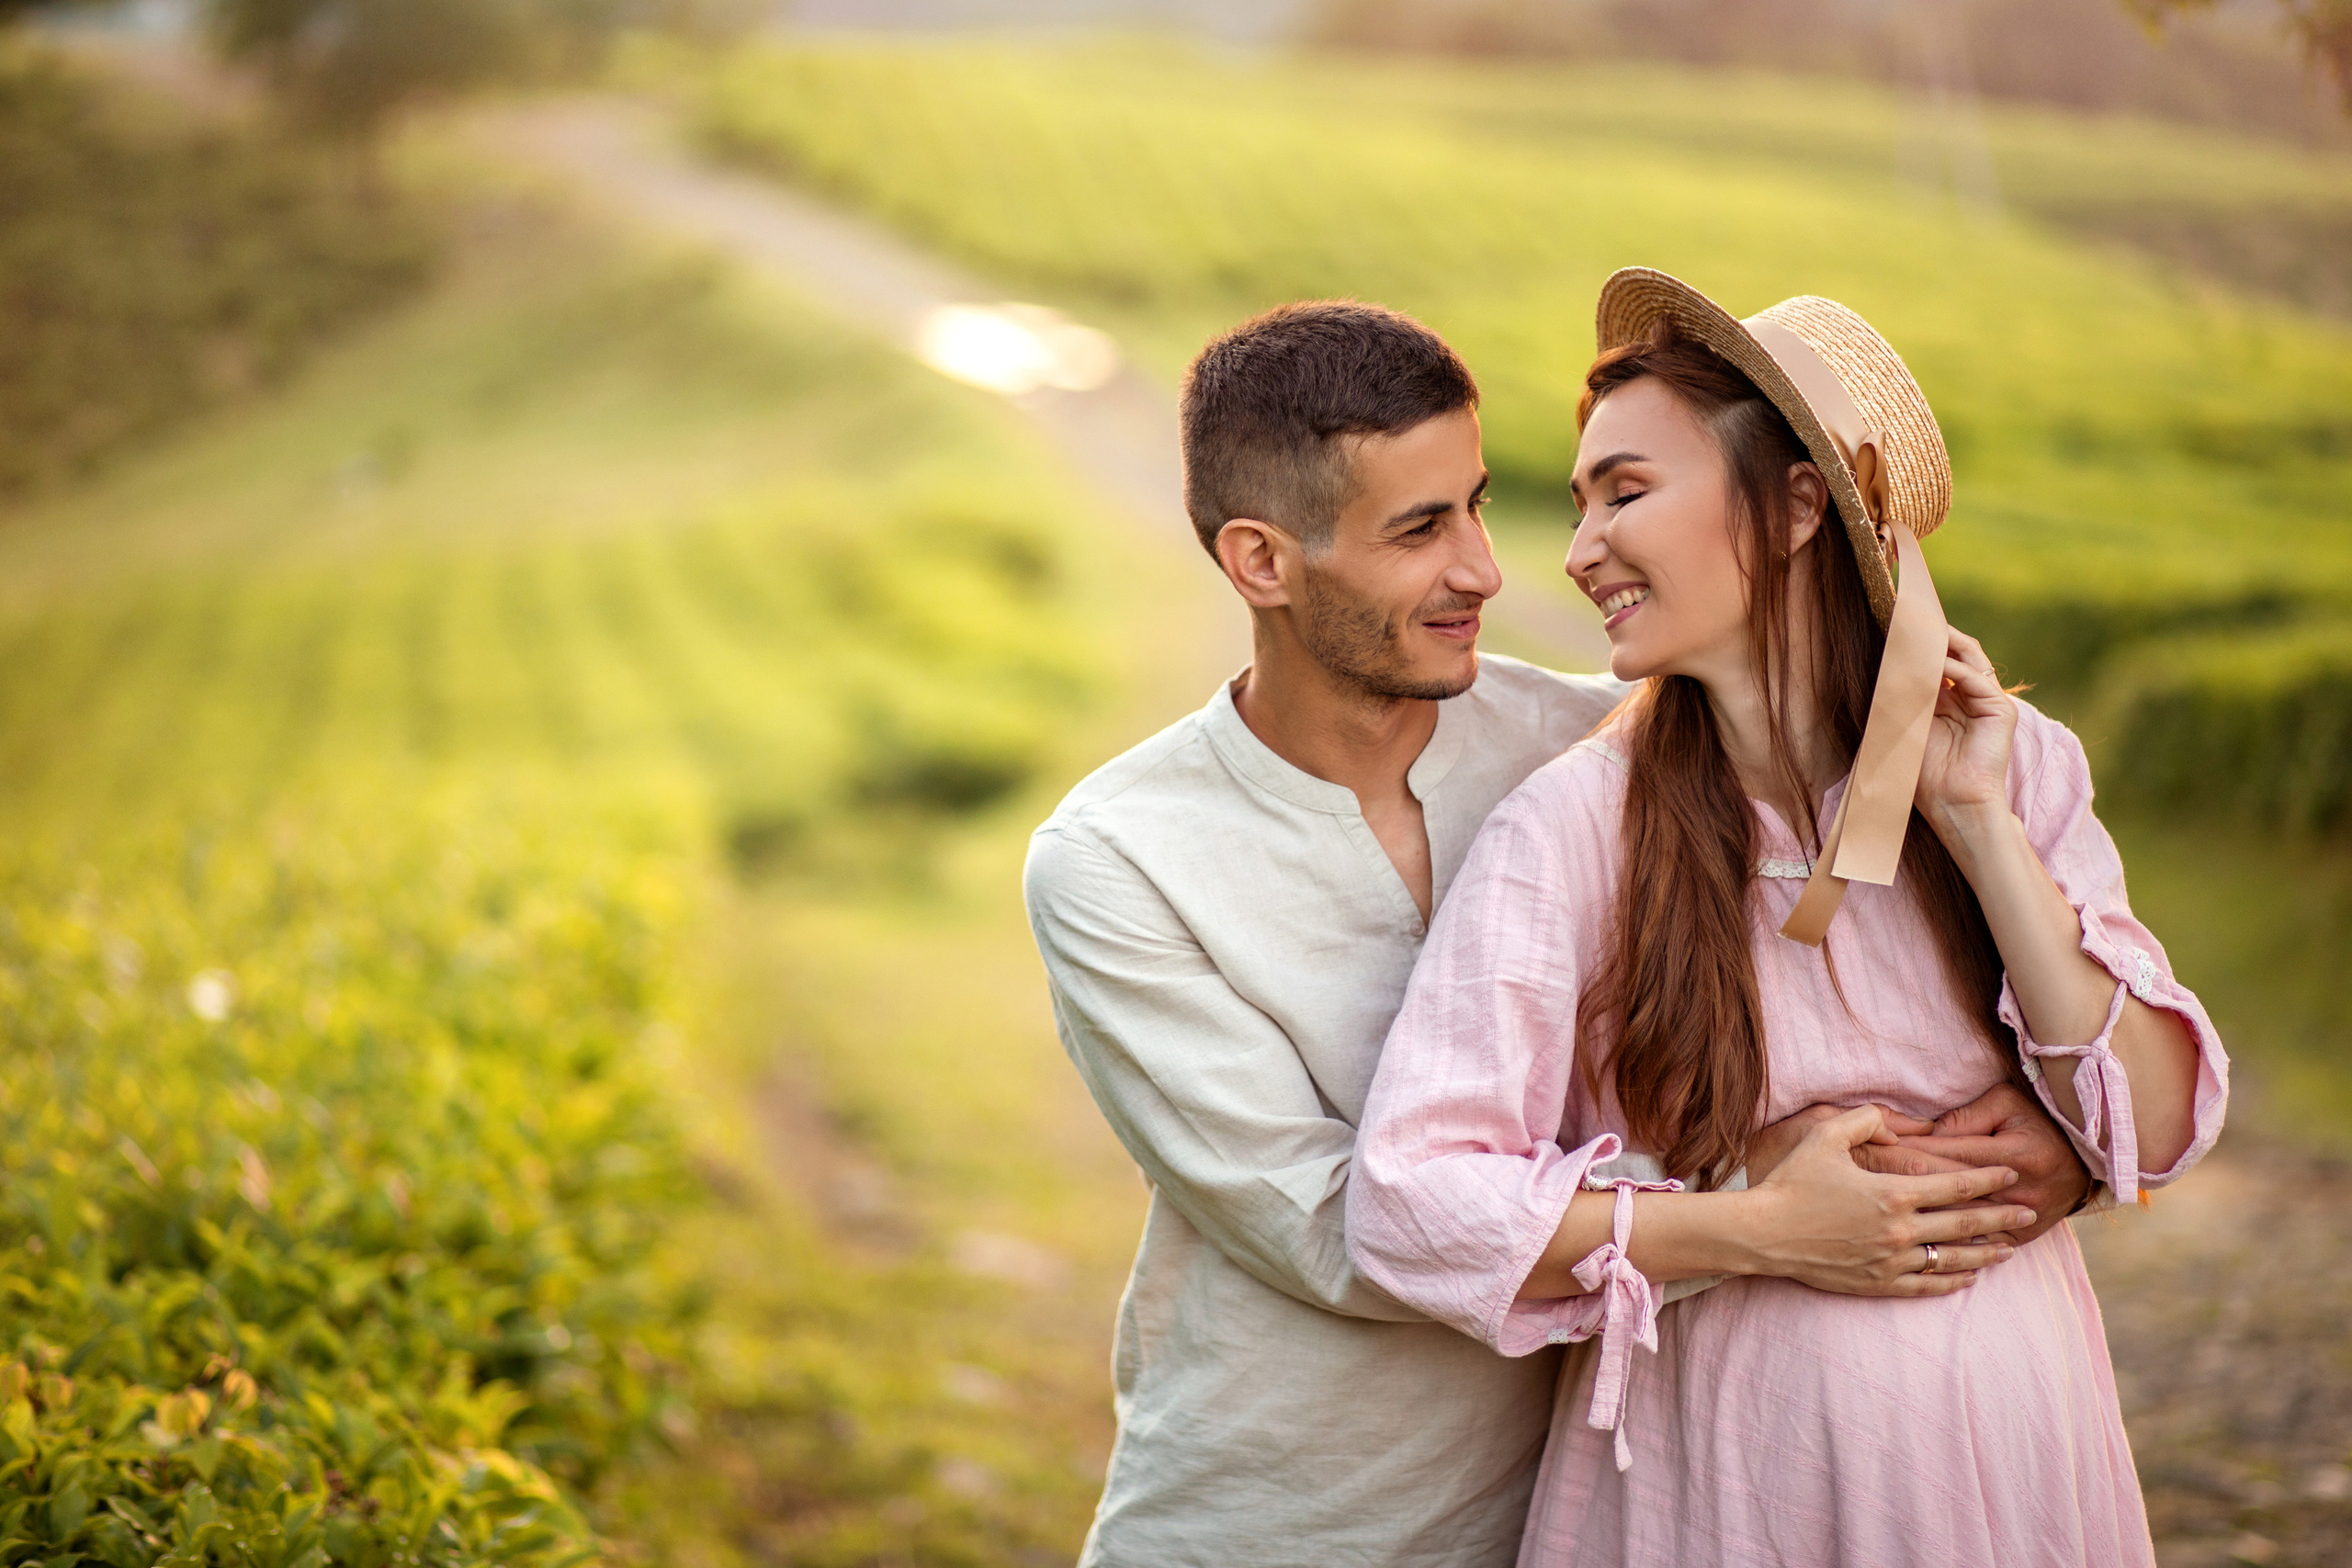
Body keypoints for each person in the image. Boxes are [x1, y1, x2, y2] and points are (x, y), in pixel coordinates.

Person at [1023, 299, 2091, 1568]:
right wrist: (1759, 1207)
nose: (1483, 567)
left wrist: (2036, 1133)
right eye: (1421, 529)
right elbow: (1344, 1230)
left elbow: (1837, 858)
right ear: (1262, 562)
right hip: (1284, 1516)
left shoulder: (1596, 748)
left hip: (1592, 1505)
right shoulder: (1116, 862)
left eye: (1476, 503)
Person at [1347, 270, 2231, 1566]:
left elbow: (2148, 1129)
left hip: (2013, 1438)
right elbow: (1415, 1199)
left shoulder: (2014, 765)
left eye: (1626, 492)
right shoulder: (1578, 828)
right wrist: (1757, 1224)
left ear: (1798, 505)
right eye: (1581, 503)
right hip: (1734, 1466)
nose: (1580, 548)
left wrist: (1974, 821)